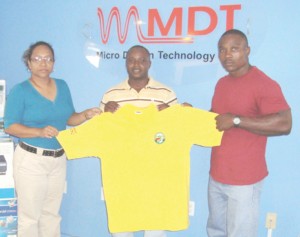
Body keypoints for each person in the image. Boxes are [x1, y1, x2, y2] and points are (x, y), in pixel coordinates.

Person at [4, 41, 100, 237]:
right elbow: (10, 126)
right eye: (37, 59)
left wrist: (85, 115)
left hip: (58, 159)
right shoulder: (20, 90)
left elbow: (69, 118)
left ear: (53, 63)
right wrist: (39, 132)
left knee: (51, 215)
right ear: (28, 63)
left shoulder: (62, 86)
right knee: (30, 217)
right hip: (31, 160)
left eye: (48, 59)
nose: (43, 63)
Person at [207, 29, 292, 237]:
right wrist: (191, 116)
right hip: (217, 174)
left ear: (247, 50)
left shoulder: (263, 83)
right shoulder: (222, 83)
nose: (227, 55)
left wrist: (236, 120)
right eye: (222, 50)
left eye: (234, 49)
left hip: (244, 180)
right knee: (215, 231)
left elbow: (285, 124)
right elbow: (217, 119)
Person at [100, 45, 177, 237]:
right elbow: (102, 131)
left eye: (142, 60)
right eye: (132, 60)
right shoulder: (111, 94)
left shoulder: (166, 93)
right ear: (125, 63)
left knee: (155, 229)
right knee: (122, 228)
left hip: (156, 170)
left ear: (149, 63)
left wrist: (173, 114)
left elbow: (176, 131)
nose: (137, 65)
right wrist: (104, 113)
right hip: (121, 171)